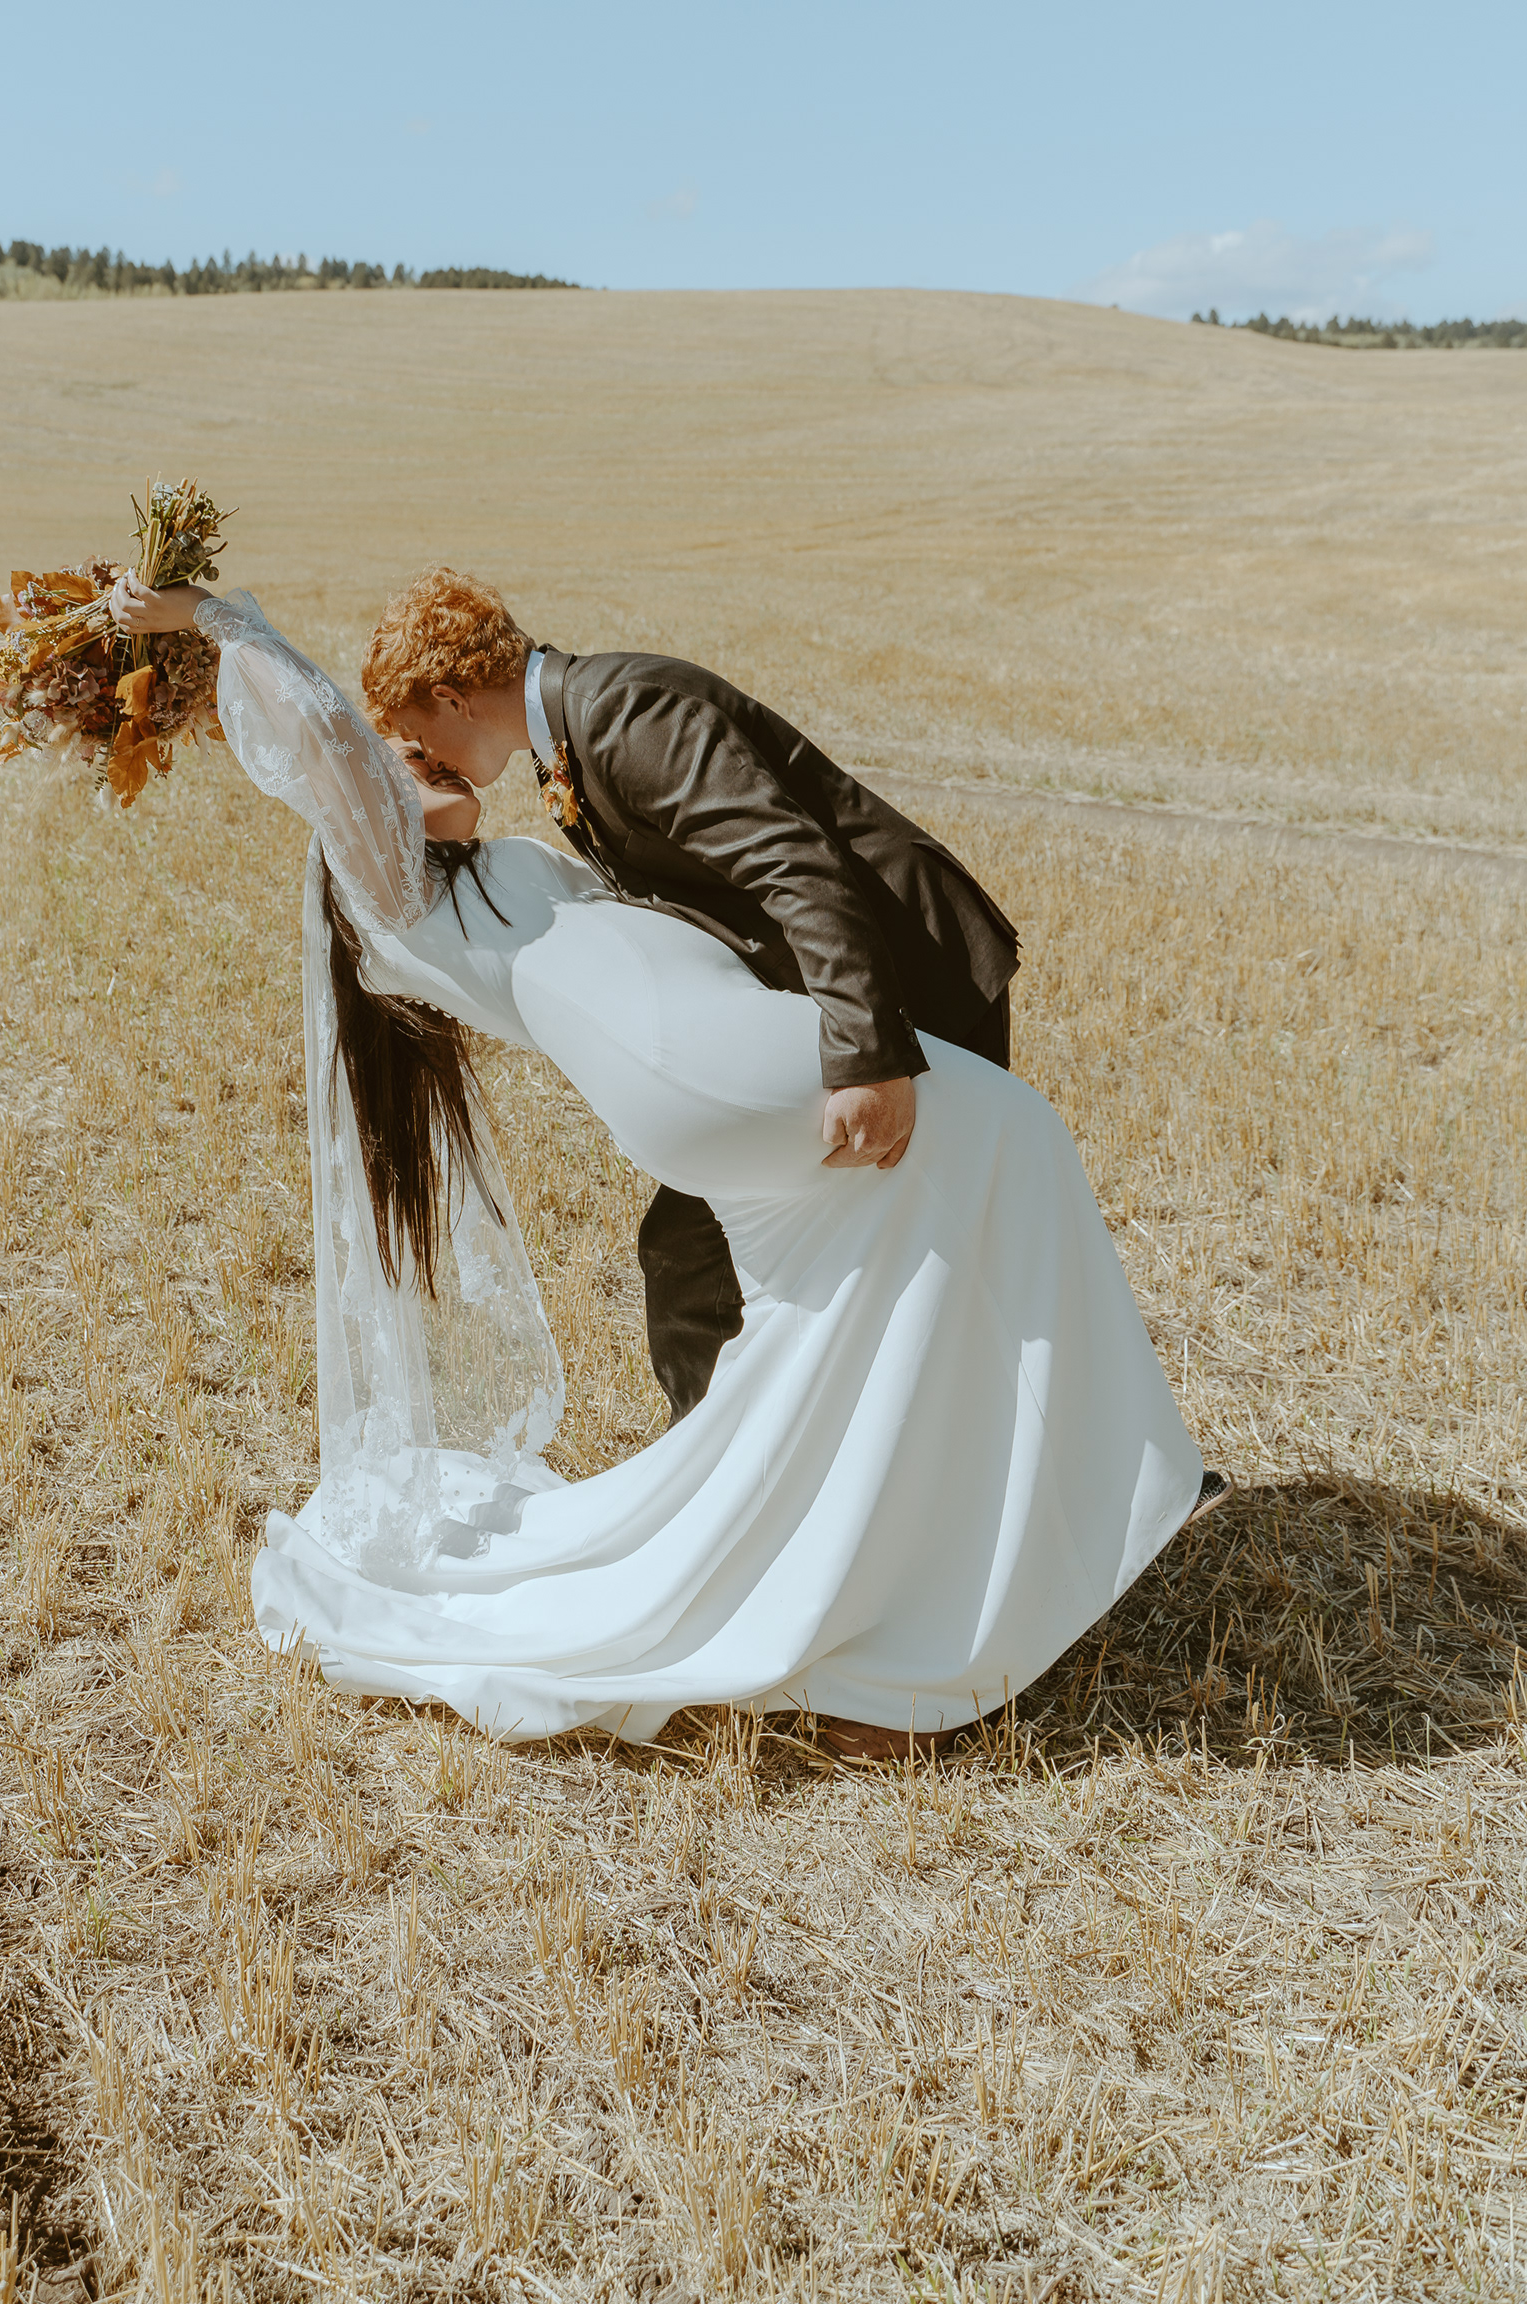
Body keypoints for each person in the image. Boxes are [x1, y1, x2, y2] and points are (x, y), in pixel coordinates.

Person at [108, 562, 1211, 1759]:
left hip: (707, 1071)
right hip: (712, 1068)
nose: (403, 763)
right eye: (390, 768)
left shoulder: (519, 818)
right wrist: (218, 621)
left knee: (857, 1304)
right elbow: (320, 739)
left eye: (410, 742)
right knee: (1010, 1143)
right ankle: (1012, 1547)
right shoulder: (390, 894)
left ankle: (863, 1587)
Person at [370, 569, 1021, 1424]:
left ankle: (1110, 1480)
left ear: (454, 698)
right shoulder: (569, 735)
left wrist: (870, 1060)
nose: (431, 762)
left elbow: (797, 866)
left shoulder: (625, 713)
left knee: (956, 1255)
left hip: (913, 979)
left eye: (422, 738)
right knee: (699, 1252)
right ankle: (727, 1472)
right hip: (842, 992)